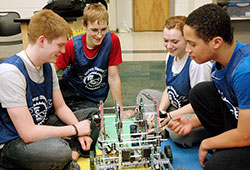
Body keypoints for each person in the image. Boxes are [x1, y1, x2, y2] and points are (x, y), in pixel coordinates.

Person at [0, 9, 91, 170]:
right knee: (59, 150)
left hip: (40, 127)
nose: (63, 51)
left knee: (91, 117)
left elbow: (61, 107)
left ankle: (68, 158)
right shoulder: (11, 72)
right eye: (60, 45)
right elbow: (27, 133)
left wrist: (80, 130)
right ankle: (68, 155)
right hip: (14, 141)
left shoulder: (48, 67)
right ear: (42, 41)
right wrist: (75, 130)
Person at [168, 3, 250, 170]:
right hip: (241, 124)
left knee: (215, 166)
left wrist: (207, 143)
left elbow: (246, 135)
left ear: (216, 42)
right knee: (200, 93)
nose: (188, 49)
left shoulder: (244, 71)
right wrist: (192, 123)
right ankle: (225, 145)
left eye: (192, 44)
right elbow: (228, 105)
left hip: (247, 134)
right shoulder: (218, 65)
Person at [54, 3, 128, 153]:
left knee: (95, 121)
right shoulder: (72, 45)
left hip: (90, 101)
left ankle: (73, 148)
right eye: (94, 30)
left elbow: (113, 78)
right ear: (84, 25)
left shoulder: (112, 41)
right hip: (68, 91)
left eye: (103, 30)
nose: (99, 35)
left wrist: (120, 109)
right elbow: (51, 73)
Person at [137, 16, 212, 148]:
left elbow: (201, 105)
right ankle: (159, 125)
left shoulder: (197, 64)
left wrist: (169, 116)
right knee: (144, 95)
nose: (169, 46)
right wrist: (159, 113)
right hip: (177, 106)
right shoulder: (170, 56)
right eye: (166, 41)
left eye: (175, 42)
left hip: (195, 114)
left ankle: (164, 128)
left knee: (178, 134)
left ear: (186, 40)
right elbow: (169, 89)